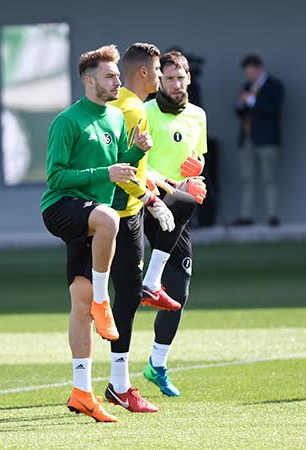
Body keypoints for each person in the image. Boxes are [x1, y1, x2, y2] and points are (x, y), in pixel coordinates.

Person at [40, 44, 161, 423]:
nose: (118, 82)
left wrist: (136, 153)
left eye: (117, 76)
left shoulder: (114, 118)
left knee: (79, 302)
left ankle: (82, 392)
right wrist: (103, 174)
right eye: (110, 76)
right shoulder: (67, 121)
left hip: (92, 217)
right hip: (62, 208)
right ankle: (103, 301)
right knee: (110, 219)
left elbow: (119, 169)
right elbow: (55, 177)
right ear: (90, 81)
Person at [104, 42, 177, 413]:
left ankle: (92, 385)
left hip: (105, 211)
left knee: (94, 298)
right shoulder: (134, 109)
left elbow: (123, 162)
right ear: (145, 73)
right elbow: (123, 168)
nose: (162, 77)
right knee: (126, 297)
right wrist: (151, 199)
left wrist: (155, 180)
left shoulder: (117, 104)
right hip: (123, 213)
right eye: (159, 71)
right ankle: (119, 385)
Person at [142, 51, 208, 397]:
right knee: (128, 289)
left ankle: (157, 364)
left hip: (177, 208)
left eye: (181, 78)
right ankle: (114, 374)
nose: (176, 84)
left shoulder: (198, 115)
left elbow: (197, 157)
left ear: (189, 78)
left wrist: (197, 170)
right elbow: (137, 162)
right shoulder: (145, 112)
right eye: (169, 78)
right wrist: (170, 185)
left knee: (178, 291)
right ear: (159, 81)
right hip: (146, 204)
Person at [233, 54, 284, 227]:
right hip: (247, 138)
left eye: (251, 72)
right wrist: (241, 104)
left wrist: (251, 100)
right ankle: (246, 216)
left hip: (267, 139)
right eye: (247, 73)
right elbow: (241, 113)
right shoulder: (246, 87)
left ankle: (272, 215)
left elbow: (273, 110)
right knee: (247, 178)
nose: (249, 76)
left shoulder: (274, 86)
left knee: (270, 178)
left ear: (260, 69)